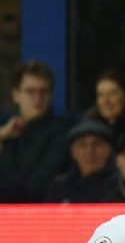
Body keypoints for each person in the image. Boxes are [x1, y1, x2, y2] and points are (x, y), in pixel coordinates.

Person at [0, 60, 73, 201]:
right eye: (30, 91)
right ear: (16, 95)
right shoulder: (5, 129)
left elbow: (43, 179)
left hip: (38, 213)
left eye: (44, 92)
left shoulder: (63, 130)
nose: (38, 98)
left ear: (51, 95)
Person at [41, 119, 117, 203]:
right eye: (82, 145)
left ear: (109, 150)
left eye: (97, 144)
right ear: (73, 152)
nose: (90, 152)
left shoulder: (119, 187)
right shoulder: (58, 188)